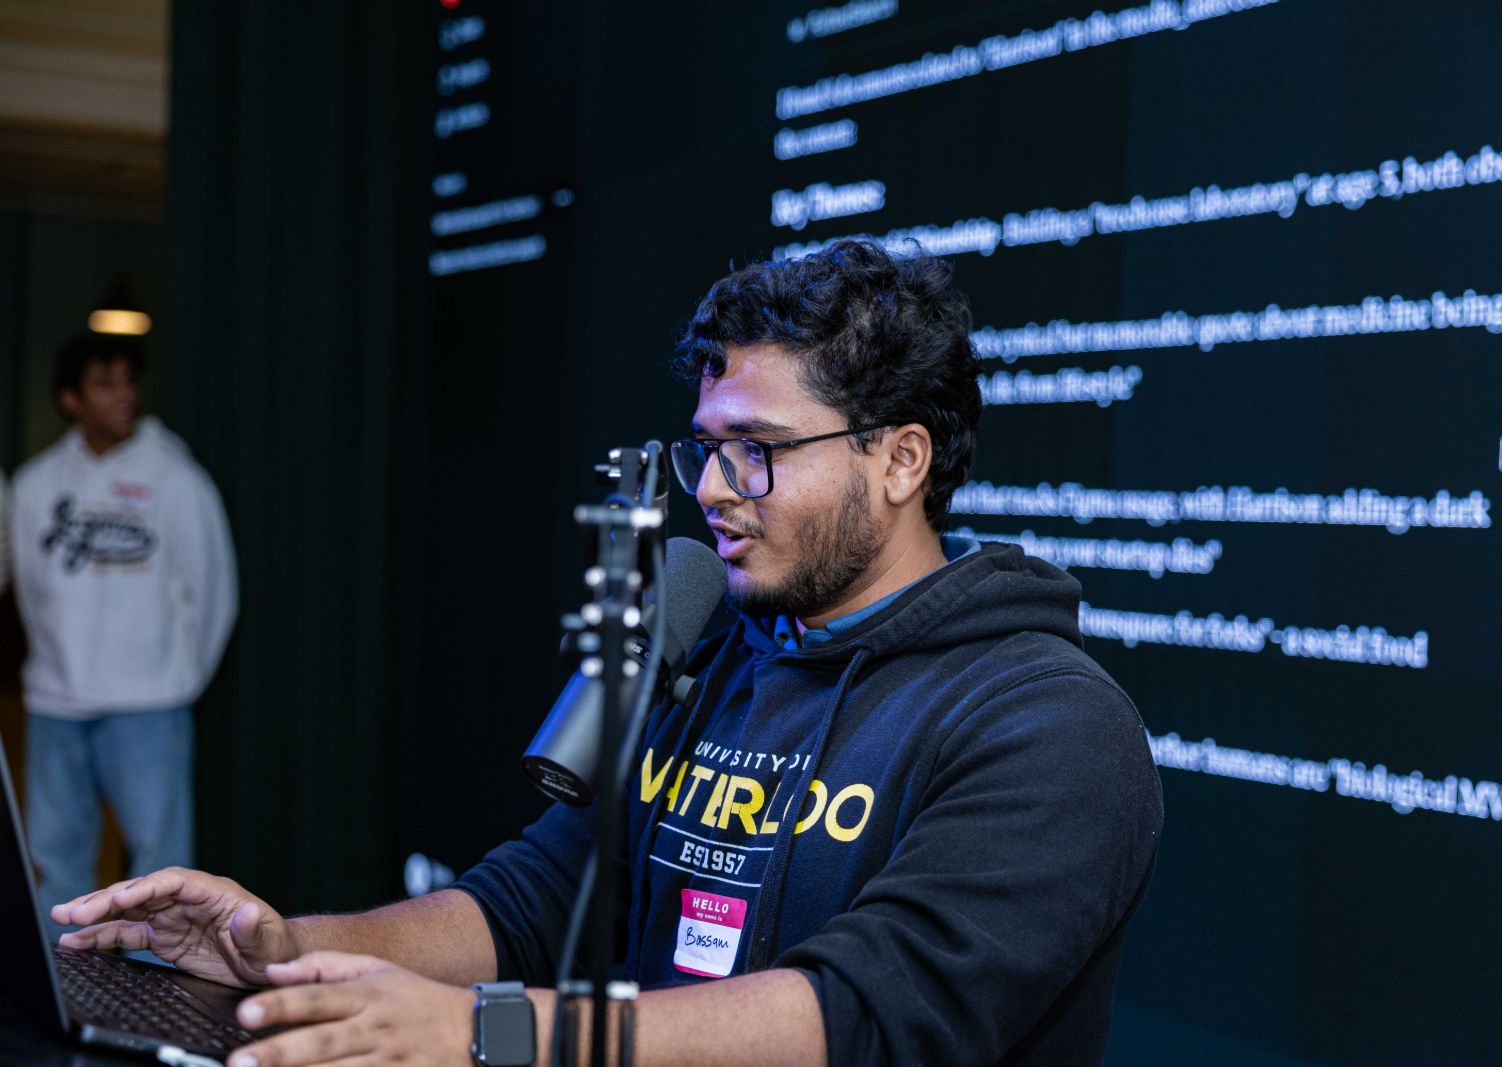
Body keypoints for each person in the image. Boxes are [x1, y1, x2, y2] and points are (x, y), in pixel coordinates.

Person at [52, 241, 1162, 1067]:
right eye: (709, 448)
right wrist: (284, 945)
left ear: (901, 458)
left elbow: (866, 1012)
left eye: (761, 451)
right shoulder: (722, 649)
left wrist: (492, 1031)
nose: (718, 492)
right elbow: (540, 894)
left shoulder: (1050, 723)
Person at [9, 333, 237, 927]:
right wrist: (56, 665)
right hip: (56, 707)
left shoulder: (178, 479)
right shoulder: (33, 487)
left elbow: (214, 592)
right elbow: (29, 591)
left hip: (149, 708)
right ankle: (57, 997)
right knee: (55, 862)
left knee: (162, 872)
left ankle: (156, 1007)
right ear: (69, 399)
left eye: (129, 381)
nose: (123, 396)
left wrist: (177, 677)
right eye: (104, 384)